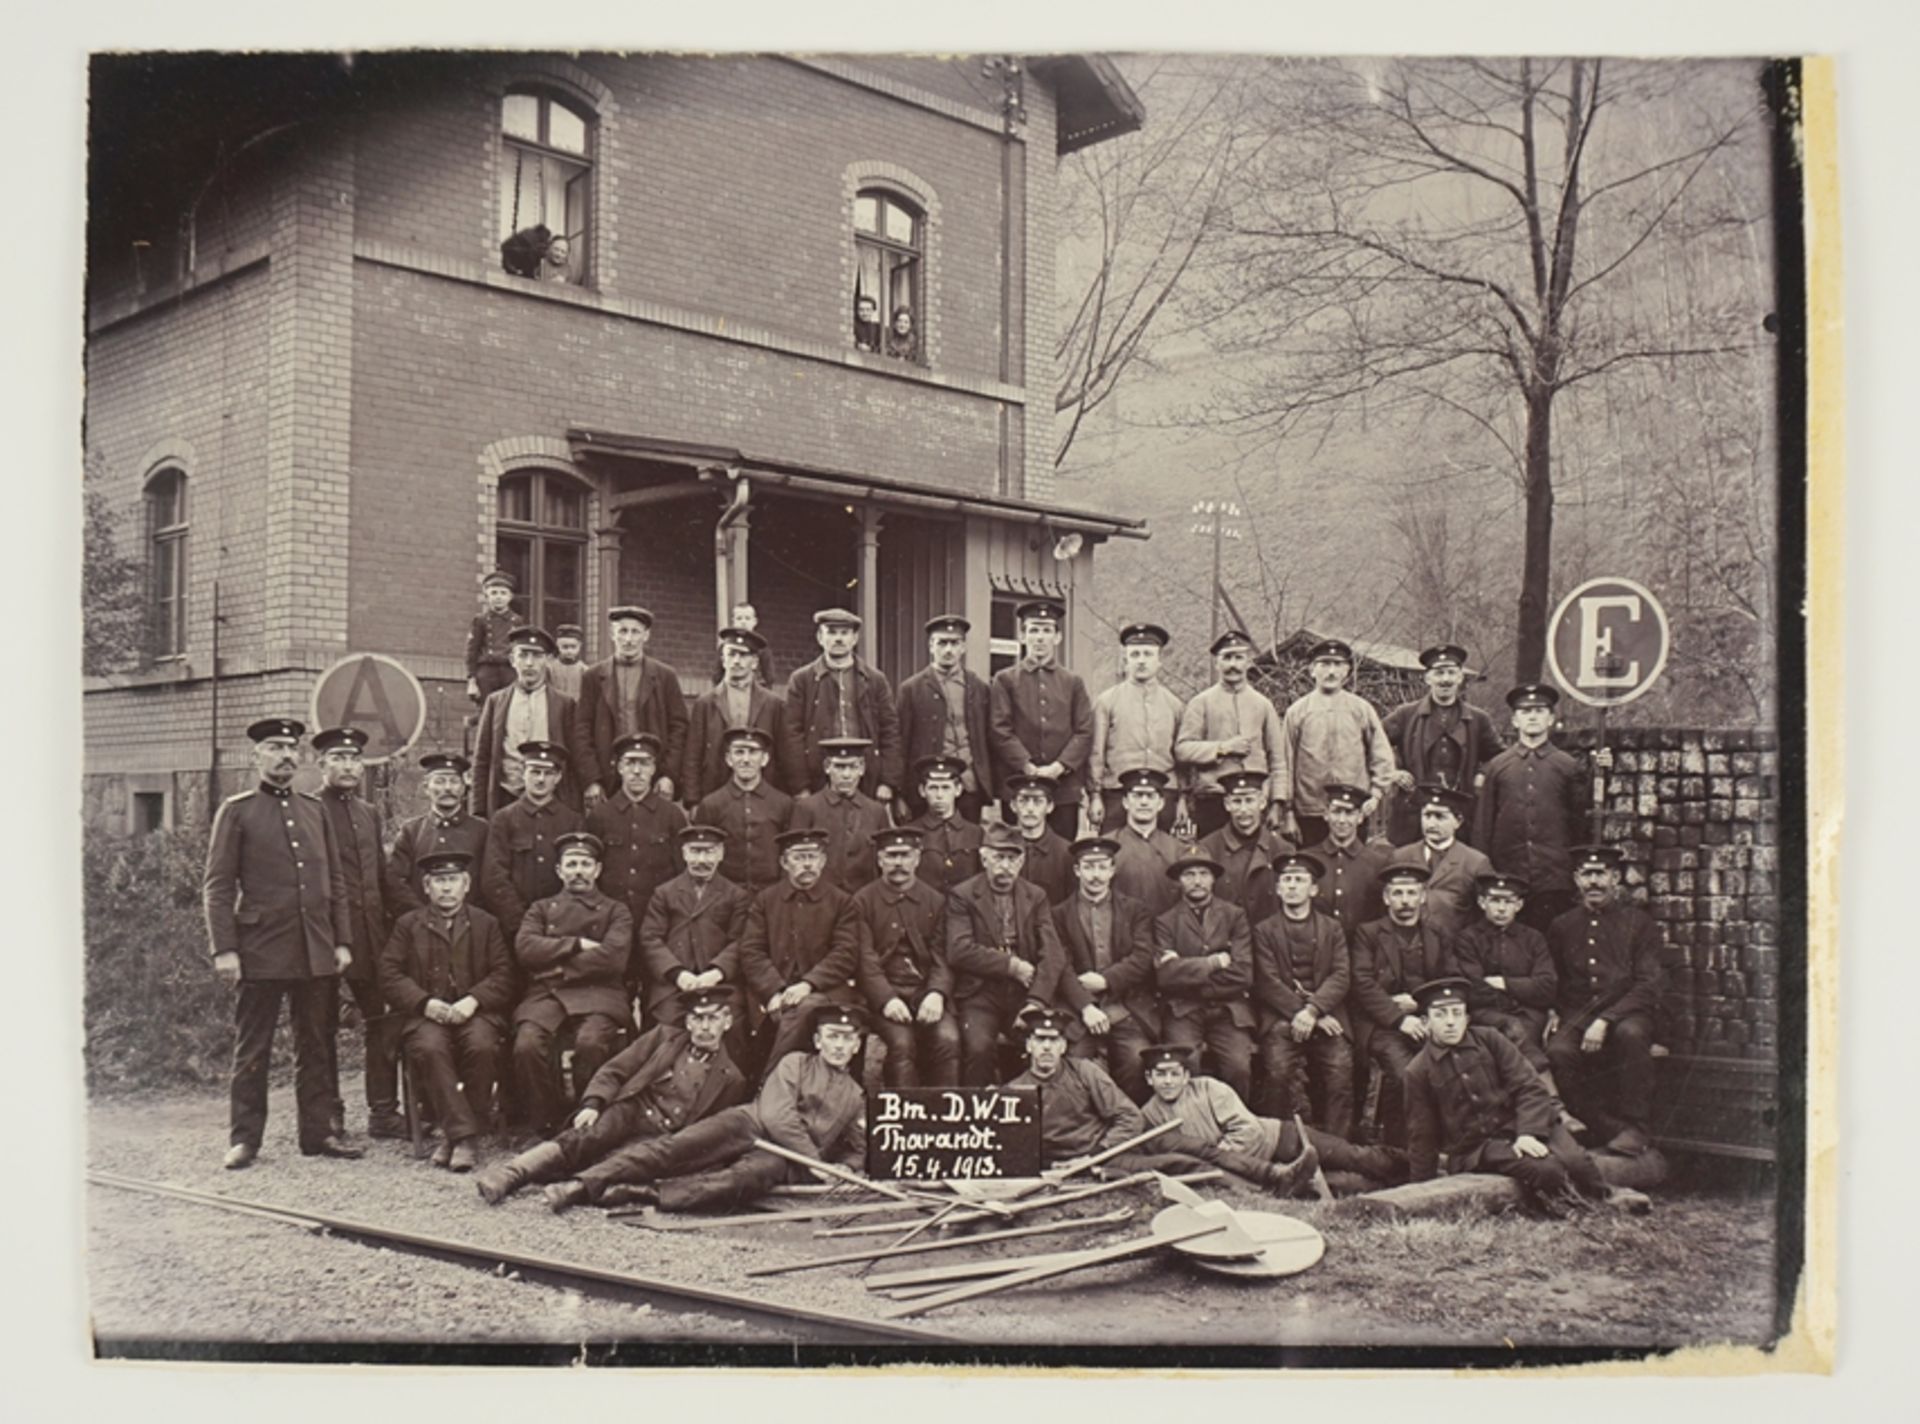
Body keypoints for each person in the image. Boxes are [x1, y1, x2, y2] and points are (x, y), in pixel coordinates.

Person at [202, 718, 359, 1168]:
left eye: (291, 749)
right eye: (275, 748)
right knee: (254, 1047)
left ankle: (317, 1134)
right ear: (257, 756)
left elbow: (336, 883)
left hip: (315, 948)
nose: (286, 756)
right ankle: (245, 1139)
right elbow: (217, 886)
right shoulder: (237, 810)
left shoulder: (315, 810)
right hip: (260, 950)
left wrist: (342, 941)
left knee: (317, 1045)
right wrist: (225, 948)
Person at [581, 1000, 873, 1213]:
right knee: (677, 1147)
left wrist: (844, 1169)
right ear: (818, 1041)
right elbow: (776, 1116)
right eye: (833, 1037)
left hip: (786, 1160)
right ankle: (587, 1182)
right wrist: (817, 1163)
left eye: (848, 1039)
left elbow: (858, 1148)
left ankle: (645, 1194)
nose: (839, 1046)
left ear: (857, 1047)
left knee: (741, 1179)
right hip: (748, 1125)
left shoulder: (856, 1096)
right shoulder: (794, 1063)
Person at [474, 988, 751, 1210]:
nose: (705, 1027)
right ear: (688, 1021)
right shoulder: (663, 1038)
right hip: (632, 1111)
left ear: (727, 1022)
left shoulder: (732, 1079)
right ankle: (511, 1174)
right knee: (588, 1134)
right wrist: (593, 1104)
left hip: (664, 1137)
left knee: (630, 1161)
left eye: (713, 1018)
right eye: (698, 1018)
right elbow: (615, 1070)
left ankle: (571, 1191)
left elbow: (707, 1133)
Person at [1404, 977, 1613, 1217]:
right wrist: (1419, 1192)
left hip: (1523, 1122)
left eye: (1456, 1013)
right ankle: (1568, 1208)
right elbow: (1422, 1135)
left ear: (1467, 1018)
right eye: (1440, 1015)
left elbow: (1529, 1086)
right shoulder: (1418, 1070)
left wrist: (1528, 1133)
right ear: (1425, 1022)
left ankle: (1607, 1198)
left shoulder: (1490, 1040)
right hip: (1480, 1147)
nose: (1450, 1022)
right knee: (1547, 1170)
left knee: (1578, 1162)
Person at [377, 851, 518, 1171]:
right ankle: (465, 1137)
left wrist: (473, 1000)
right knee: (429, 1046)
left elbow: (504, 974)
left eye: (452, 880)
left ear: (466, 885)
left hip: (476, 1013)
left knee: (482, 1046)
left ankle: (453, 1136)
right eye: (439, 881)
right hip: (427, 1015)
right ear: (426, 887)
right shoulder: (408, 925)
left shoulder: (486, 923)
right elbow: (389, 974)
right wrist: (424, 1002)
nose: (446, 889)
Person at [1137, 1044, 1405, 1198]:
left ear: (1186, 1075)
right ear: (1149, 1079)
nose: (1168, 1082)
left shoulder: (1208, 1087)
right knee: (1347, 1185)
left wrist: (1224, 1155)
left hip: (1279, 1139)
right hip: (1265, 1170)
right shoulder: (1150, 1115)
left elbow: (1249, 1130)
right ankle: (1395, 1191)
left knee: (1356, 1157)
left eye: (1175, 1074)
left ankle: (1416, 1166)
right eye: (1161, 1075)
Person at [311, 726, 406, 1141]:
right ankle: (329, 1112)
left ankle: (383, 1112)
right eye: (338, 758)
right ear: (321, 764)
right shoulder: (309, 809)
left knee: (382, 1021)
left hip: (370, 938)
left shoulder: (368, 812)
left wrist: (415, 917)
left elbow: (382, 879)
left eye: (353, 759)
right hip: (325, 940)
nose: (348, 766)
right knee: (321, 1025)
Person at [510, 830, 635, 1135]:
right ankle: (547, 1123)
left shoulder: (616, 910)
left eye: (585, 863)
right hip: (547, 997)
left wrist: (555, 969)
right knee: (526, 1045)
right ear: (559, 870)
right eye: (571, 863)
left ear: (597, 870)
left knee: (590, 1043)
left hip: (600, 994)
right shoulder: (540, 908)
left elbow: (613, 958)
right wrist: (576, 944)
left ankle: (588, 1122)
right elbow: (525, 948)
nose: (578, 870)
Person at [1545, 845, 1666, 1155]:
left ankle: (1636, 1127)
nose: (1594, 882)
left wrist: (1605, 1020)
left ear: (1615, 878)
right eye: (1587, 874)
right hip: (1577, 1012)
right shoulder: (1562, 926)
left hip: (1628, 1011)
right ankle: (1603, 1126)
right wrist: (1552, 1011)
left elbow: (1648, 983)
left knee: (1632, 1035)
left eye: (1601, 874)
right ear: (1576, 879)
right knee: (1559, 1050)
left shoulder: (1639, 923)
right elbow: (1553, 977)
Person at [1474, 684, 1611, 933]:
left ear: (1550, 719)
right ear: (1515, 720)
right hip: (1509, 874)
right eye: (1525, 712)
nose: (1533, 717)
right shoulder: (1498, 766)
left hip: (1554, 878)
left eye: (1539, 710)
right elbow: (1484, 823)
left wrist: (1601, 773)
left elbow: (1581, 818)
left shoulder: (1568, 766)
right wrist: (1485, 871)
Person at [1040, 835, 1161, 1101]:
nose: (1096, 875)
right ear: (1077, 870)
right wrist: (1086, 1006)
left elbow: (1142, 958)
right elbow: (1060, 965)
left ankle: (1134, 1133)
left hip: (1125, 1007)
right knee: (1072, 1064)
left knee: (1136, 1060)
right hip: (1078, 1010)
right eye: (1088, 867)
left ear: (1112, 870)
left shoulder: (1135, 910)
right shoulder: (1058, 914)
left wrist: (1106, 981)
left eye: (1102, 867)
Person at [947, 822, 1067, 1086]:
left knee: (1033, 1047)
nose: (1005, 865)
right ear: (984, 857)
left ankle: (1030, 1117)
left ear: (1022, 861)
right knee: (978, 1049)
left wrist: (1036, 1001)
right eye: (998, 857)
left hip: (1023, 994)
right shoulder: (963, 895)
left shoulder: (1035, 896)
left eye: (1012, 858)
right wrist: (1011, 966)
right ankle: (977, 1117)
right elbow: (959, 949)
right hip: (980, 993)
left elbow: (1053, 953)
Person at [737, 827, 863, 1076]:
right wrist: (773, 991)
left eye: (812, 856)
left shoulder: (842, 902)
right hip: (773, 991)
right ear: (784, 862)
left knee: (800, 1011)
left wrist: (807, 984)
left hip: (826, 991)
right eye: (798, 857)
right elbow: (751, 951)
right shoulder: (766, 900)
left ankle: (769, 1087)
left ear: (823, 860)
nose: (807, 864)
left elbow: (845, 953)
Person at [1350, 863, 1457, 1145]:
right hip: (1383, 1026)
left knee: (1451, 1064)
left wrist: (1427, 1012)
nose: (1405, 900)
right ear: (1386, 898)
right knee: (1405, 1072)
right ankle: (1400, 1147)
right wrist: (1400, 1018)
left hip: (1426, 1021)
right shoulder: (1368, 933)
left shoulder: (1438, 933)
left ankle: (1445, 1142)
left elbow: (1451, 978)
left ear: (1423, 897)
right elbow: (1362, 983)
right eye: (1398, 893)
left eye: (1412, 893)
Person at [1253, 852, 1356, 1134]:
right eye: (1286, 880)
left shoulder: (1332, 928)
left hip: (1325, 1015)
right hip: (1281, 1017)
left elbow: (1340, 975)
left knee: (1340, 1071)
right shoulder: (1264, 930)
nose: (1292, 886)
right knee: (1277, 1071)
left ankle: (1339, 1145)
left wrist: (1314, 1011)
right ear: (1277, 888)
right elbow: (1267, 981)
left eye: (1300, 880)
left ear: (1313, 889)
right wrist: (1302, 1012)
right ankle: (1280, 1139)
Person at [852, 827, 959, 1088]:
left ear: (918, 859)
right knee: (902, 1044)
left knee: (949, 1039)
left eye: (905, 855)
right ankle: (905, 1120)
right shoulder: (862, 901)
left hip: (924, 991)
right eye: (891, 855)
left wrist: (937, 993)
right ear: (879, 860)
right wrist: (886, 999)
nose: (898, 863)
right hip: (885, 994)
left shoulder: (935, 901)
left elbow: (943, 956)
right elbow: (864, 960)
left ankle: (948, 1116)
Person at [585, 732, 690, 999]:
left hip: (657, 925)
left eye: (644, 763)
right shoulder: (600, 816)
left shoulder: (672, 816)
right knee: (615, 998)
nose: (637, 771)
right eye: (630, 762)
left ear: (654, 769)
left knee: (656, 997)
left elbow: (682, 875)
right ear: (619, 767)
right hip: (612, 927)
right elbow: (589, 874)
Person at [1152, 853, 1256, 1101]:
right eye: (1189, 874)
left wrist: (1184, 970)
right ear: (1179, 880)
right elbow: (1164, 976)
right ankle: (1194, 1128)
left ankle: (1236, 1124)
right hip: (1183, 1010)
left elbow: (1243, 973)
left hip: (1228, 1010)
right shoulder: (1165, 922)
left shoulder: (1234, 916)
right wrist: (1214, 962)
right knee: (1187, 1064)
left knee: (1238, 1066)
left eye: (1203, 874)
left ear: (1213, 879)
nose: (1197, 881)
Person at [988, 597, 1094, 840]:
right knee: (1016, 851)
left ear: (1057, 637)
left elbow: (1084, 731)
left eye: (1046, 630)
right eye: (1033, 630)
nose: (1039, 637)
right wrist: (1027, 767)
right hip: (1018, 785)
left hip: (1063, 789)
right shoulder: (1005, 680)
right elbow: (999, 729)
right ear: (1023, 636)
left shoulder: (1073, 682)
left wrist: (1058, 768)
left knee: (1062, 856)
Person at [1275, 638, 1397, 847]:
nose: (1331, 671)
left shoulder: (1361, 709)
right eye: (1324, 664)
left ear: (1347, 671)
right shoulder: (1297, 712)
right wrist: (1288, 812)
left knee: (1352, 867)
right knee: (1311, 868)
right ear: (1312, 670)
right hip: (1310, 811)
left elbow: (1381, 755)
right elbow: (1285, 762)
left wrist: (1375, 795)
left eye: (1337, 664)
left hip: (1352, 809)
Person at [1381, 644, 1504, 847]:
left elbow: (1498, 756)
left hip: (1460, 816)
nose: (1445, 679)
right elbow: (1373, 742)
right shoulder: (1406, 715)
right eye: (1438, 673)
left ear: (1460, 677)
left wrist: (1483, 773)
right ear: (1427, 678)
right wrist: (1391, 772)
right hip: (1413, 814)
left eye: (1451, 673)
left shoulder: (1478, 719)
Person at [636, 825, 751, 1038]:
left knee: (732, 1024)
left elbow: (740, 941)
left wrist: (716, 973)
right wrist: (678, 974)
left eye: (709, 851)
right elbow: (650, 938)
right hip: (675, 985)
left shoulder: (736, 895)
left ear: (721, 854)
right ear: (684, 853)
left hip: (720, 983)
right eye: (695, 851)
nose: (701, 860)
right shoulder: (664, 893)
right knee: (667, 1029)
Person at [1175, 629, 1286, 841]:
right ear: (1217, 663)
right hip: (1212, 799)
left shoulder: (1263, 705)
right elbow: (1182, 749)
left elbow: (1278, 759)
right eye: (1226, 658)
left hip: (1254, 801)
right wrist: (1222, 748)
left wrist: (1277, 802)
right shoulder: (1201, 703)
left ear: (1248, 662)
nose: (1232, 665)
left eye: (1238, 657)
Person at [575, 606, 689, 809]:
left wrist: (668, 775)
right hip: (607, 779)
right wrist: (592, 779)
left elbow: (679, 729)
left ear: (646, 635)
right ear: (612, 634)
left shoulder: (665, 676)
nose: (628, 639)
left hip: (652, 777)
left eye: (635, 632)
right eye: (622, 631)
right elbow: (582, 730)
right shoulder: (593, 677)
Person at [785, 607, 904, 800]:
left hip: (866, 778)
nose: (838, 639)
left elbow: (890, 730)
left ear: (855, 638)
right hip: (818, 777)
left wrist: (888, 782)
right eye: (831, 632)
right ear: (820, 637)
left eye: (844, 633)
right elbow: (791, 735)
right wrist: (800, 785)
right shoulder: (802, 680)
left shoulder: (875, 680)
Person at [1005, 1008, 1147, 1168]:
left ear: (1063, 1046)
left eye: (1053, 1040)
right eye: (1040, 1039)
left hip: (1100, 1159)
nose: (1046, 1047)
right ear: (1029, 1045)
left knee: (1174, 1162)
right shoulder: (1016, 1090)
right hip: (1052, 1169)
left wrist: (1095, 1155)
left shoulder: (1085, 1072)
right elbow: (1015, 1148)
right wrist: (1050, 1165)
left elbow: (1130, 1117)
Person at [1452, 872, 1558, 1076]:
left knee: (1519, 1035)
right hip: (1487, 1014)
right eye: (1495, 901)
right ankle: (1550, 1099)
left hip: (1529, 1014)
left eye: (1508, 902)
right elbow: (1473, 988)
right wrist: (1524, 988)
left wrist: (1504, 983)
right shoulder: (1468, 939)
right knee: (1512, 1032)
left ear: (1518, 905)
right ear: (1482, 902)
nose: (1501, 908)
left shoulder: (1533, 939)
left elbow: (1547, 987)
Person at [479, 740, 585, 943]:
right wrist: (520, 924)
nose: (541, 779)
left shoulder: (572, 820)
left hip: (561, 929)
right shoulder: (503, 819)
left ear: (558, 778)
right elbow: (494, 878)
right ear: (523, 774)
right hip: (514, 929)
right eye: (535, 772)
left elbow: (579, 878)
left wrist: (558, 922)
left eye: (548, 773)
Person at [471, 625, 583, 817]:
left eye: (537, 656)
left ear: (547, 661)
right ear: (512, 660)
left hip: (551, 801)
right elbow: (482, 758)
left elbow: (573, 759)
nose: (529, 663)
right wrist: (478, 809)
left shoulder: (564, 704)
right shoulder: (496, 701)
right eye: (523, 655)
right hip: (506, 796)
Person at [895, 614, 994, 823]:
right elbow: (900, 744)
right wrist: (900, 794)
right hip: (929, 788)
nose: (948, 650)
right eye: (942, 643)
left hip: (969, 785)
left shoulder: (979, 688)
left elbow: (988, 739)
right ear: (931, 646)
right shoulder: (911, 689)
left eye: (954, 643)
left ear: (963, 647)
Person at [684, 626, 801, 801]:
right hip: (715, 791)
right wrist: (692, 799)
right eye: (731, 654)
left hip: (762, 795)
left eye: (743, 655)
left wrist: (796, 791)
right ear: (723, 660)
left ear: (754, 662)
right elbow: (693, 755)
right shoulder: (705, 703)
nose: (736, 661)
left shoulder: (773, 704)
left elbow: (785, 753)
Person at [1089, 622, 1184, 834]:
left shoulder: (1175, 705)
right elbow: (1096, 753)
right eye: (1135, 654)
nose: (1141, 661)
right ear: (1126, 660)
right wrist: (1095, 795)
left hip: (1163, 794)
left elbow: (1182, 758)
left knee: (1163, 856)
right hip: (1116, 794)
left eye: (1148, 654)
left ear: (1159, 661)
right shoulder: (1106, 701)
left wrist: (1183, 798)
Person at [692, 726, 794, 894]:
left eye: (753, 752)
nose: (746, 759)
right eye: (739, 752)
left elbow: (789, 855)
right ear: (728, 759)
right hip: (725, 898)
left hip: (771, 895)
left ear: (765, 759)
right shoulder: (712, 804)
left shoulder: (783, 803)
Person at [387, 752, 490, 916]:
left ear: (464, 788)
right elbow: (396, 881)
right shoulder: (411, 831)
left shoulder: (482, 830)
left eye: (454, 781)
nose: (447, 788)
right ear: (427, 788)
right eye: (440, 781)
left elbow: (490, 881)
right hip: (421, 925)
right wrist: (420, 915)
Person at [1386, 785, 1493, 936]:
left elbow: (1485, 918)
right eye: (1427, 815)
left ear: (1458, 821)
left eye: (1440, 817)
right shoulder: (1401, 857)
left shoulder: (1475, 863)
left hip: (1456, 949)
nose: (1431, 824)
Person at [790, 737, 891, 893]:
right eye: (839, 766)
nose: (846, 775)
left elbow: (884, 864)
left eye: (852, 767)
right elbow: (794, 861)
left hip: (863, 901)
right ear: (827, 767)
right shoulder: (807, 808)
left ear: (862, 768)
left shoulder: (876, 811)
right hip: (821, 901)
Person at [1198, 769, 1295, 929]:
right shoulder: (1208, 848)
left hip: (1270, 944)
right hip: (1226, 943)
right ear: (1227, 804)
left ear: (1262, 803)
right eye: (1237, 801)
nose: (1243, 809)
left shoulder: (1283, 849)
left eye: (1249, 800)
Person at [1306, 782, 1390, 941]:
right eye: (1336, 812)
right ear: (1326, 814)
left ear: (1360, 817)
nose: (1342, 820)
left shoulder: (1378, 863)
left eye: (1349, 813)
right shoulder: (1309, 859)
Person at [1108, 767, 1185, 917]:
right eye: (1137, 795)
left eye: (1150, 796)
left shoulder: (1177, 849)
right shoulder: (1110, 846)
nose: (1144, 802)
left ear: (1161, 803)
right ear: (1125, 802)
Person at [904, 756, 983, 898]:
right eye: (933, 788)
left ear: (958, 789)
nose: (939, 795)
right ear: (922, 791)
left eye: (946, 788)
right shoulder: (911, 833)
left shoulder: (976, 833)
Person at [1003, 773, 1075, 905]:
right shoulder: (1001, 848)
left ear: (1049, 806)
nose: (1030, 809)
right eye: (1023, 801)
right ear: (1013, 805)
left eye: (1038, 801)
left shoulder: (1065, 853)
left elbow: (1070, 906)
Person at [464, 571, 521, 704]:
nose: (498, 597)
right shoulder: (481, 620)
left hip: (509, 671)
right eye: (494, 593)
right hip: (486, 672)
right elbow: (471, 651)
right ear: (487, 597)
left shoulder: (517, 621)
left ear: (510, 596)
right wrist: (471, 680)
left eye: (503, 593)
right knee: (485, 710)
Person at [708, 603, 776, 687]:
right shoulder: (724, 647)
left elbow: (769, 677)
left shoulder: (762, 649)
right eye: (739, 618)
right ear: (733, 621)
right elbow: (716, 676)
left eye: (747, 618)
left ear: (755, 622)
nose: (743, 622)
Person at [547, 623, 587, 701]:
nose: (569, 651)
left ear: (579, 646)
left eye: (573, 647)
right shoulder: (550, 669)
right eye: (565, 647)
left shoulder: (585, 670)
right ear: (558, 645)